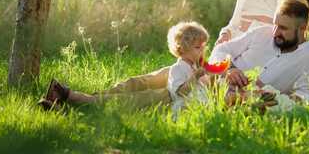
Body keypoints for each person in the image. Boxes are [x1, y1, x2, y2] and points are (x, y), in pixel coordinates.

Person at [39, 22, 209, 110]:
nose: (203, 50)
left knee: (148, 96)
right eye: (198, 47)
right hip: (188, 84)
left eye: (203, 47)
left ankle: (77, 100)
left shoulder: (194, 63)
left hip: (186, 96)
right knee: (138, 82)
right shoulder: (185, 65)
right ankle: (86, 101)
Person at [209, 0, 309, 104]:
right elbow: (221, 49)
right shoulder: (262, 33)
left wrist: (258, 98)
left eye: (283, 28)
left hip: (247, 104)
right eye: (275, 24)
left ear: (302, 28)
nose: (275, 32)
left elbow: (305, 98)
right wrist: (229, 69)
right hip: (212, 84)